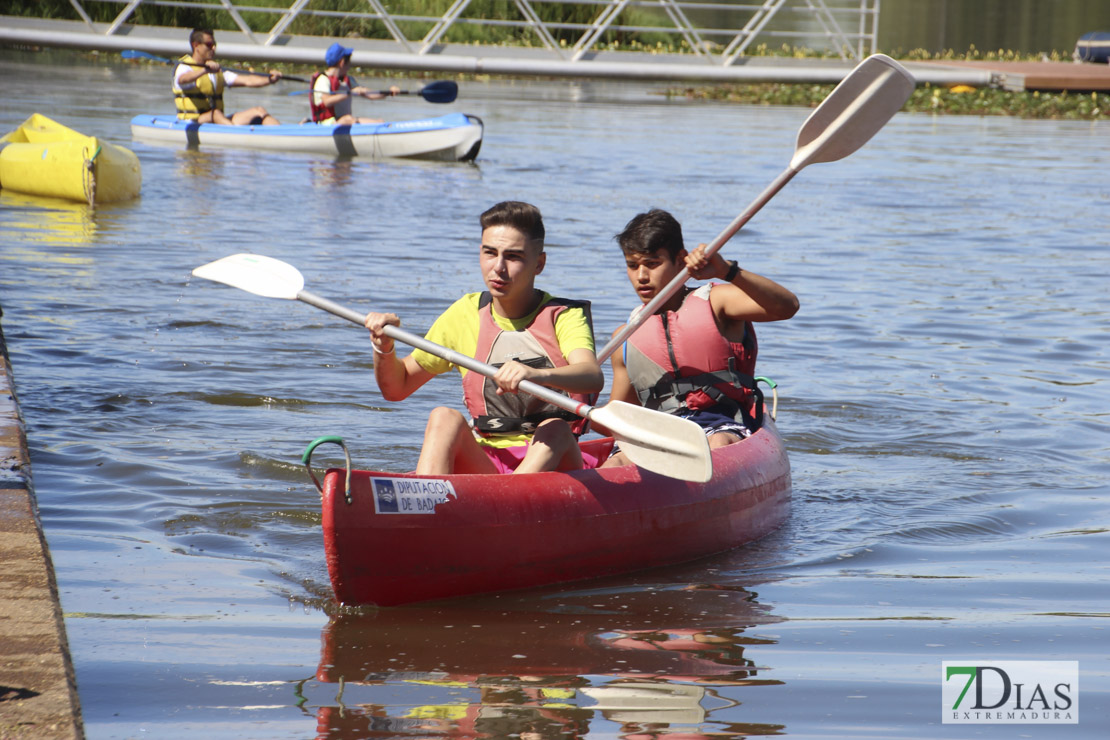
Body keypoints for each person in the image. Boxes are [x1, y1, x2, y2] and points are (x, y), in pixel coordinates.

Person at [364, 201, 604, 476]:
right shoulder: (464, 313)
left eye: (513, 257)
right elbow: (397, 388)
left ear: (539, 264)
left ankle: (508, 500)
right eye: (490, 253)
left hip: (556, 462)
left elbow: (591, 375)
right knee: (443, 417)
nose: (498, 268)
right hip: (488, 463)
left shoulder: (564, 316)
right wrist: (383, 347)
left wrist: (535, 374)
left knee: (555, 428)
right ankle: (428, 501)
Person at [601, 209, 799, 467]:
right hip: (657, 432)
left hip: (721, 424)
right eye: (632, 265)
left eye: (652, 263)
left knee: (718, 444)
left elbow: (787, 307)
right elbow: (618, 414)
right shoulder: (624, 337)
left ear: (681, 260)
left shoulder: (717, 301)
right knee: (616, 463)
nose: (641, 276)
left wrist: (727, 271)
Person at [172, 28, 282, 125]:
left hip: (217, 120)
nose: (213, 48)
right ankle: (236, 135)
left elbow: (248, 81)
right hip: (191, 122)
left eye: (214, 44)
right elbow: (183, 79)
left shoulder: (216, 71)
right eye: (209, 45)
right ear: (196, 45)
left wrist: (270, 79)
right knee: (215, 114)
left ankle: (283, 133)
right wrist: (204, 70)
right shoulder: (184, 67)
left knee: (259, 111)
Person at [310, 43, 400, 125]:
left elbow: (369, 94)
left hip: (343, 122)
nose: (350, 65)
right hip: (325, 125)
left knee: (379, 121)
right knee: (348, 119)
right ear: (342, 62)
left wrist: (389, 92)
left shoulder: (348, 80)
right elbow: (327, 101)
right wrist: (349, 93)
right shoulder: (323, 80)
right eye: (348, 61)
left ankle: (382, 125)